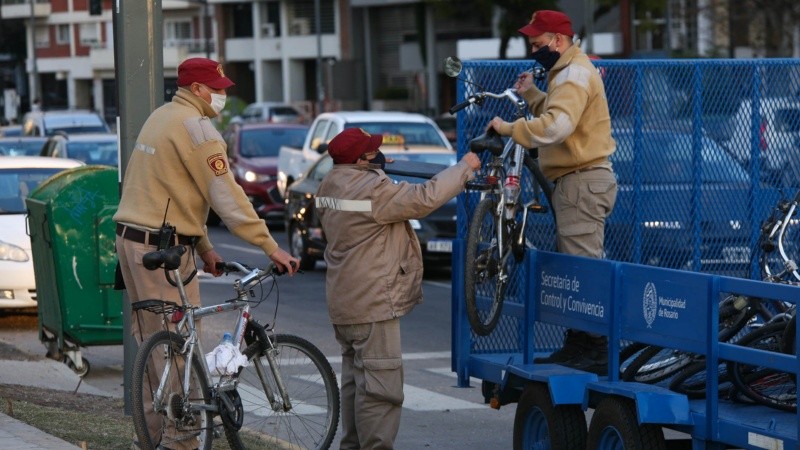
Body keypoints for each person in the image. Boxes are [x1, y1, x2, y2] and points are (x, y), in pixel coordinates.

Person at [113, 57, 299, 449]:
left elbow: (173, 192)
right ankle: (181, 443)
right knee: (179, 350)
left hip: (133, 241)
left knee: (154, 347)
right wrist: (271, 246)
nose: (223, 95)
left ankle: (150, 439)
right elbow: (228, 199)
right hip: (162, 249)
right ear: (197, 90)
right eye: (217, 88)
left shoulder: (161, 117)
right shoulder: (198, 130)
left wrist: (206, 247)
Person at [315, 127, 481, 449]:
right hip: (373, 302)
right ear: (362, 159)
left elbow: (359, 192)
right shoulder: (373, 190)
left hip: (344, 302)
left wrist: (371, 168)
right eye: (372, 150)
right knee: (380, 390)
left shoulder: (329, 183)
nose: (377, 152)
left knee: (354, 384)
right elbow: (424, 198)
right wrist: (464, 168)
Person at [487, 10, 618, 375]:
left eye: (538, 42)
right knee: (576, 265)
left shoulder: (574, 74)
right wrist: (531, 94)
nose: (533, 48)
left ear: (558, 41)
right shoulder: (567, 70)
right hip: (578, 181)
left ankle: (594, 349)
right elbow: (563, 115)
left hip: (582, 179)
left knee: (583, 267)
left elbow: (559, 126)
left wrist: (511, 127)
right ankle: (579, 344)